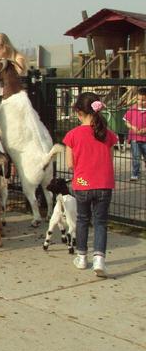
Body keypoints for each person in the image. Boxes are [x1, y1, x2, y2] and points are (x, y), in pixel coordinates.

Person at [63, 92, 118, 277]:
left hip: (82, 184)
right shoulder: (108, 135)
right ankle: (99, 260)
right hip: (104, 184)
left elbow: (70, 164)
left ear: (79, 112)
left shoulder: (72, 135)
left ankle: (81, 257)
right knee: (101, 222)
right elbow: (110, 160)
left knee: (82, 220)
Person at [123, 87, 146, 181]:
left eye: (144, 100)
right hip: (134, 138)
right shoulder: (132, 109)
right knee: (136, 157)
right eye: (138, 99)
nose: (140, 102)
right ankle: (135, 173)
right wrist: (133, 127)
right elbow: (126, 121)